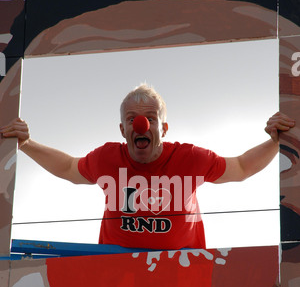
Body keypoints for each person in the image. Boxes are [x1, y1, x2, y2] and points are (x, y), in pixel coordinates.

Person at [0, 84, 295, 250]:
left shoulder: (190, 158)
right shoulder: (106, 159)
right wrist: (26, 144)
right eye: (132, 119)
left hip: (180, 269)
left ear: (163, 128)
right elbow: (67, 167)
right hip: (118, 270)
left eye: (150, 119)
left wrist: (274, 141)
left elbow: (242, 167)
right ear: (122, 129)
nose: (140, 124)